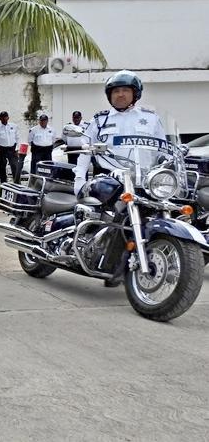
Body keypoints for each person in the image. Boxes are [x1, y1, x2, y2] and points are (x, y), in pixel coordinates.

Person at [73, 70, 167, 287]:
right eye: (116, 91)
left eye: (125, 90)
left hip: (143, 180)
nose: (120, 95)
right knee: (117, 218)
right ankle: (108, 262)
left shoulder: (150, 118)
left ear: (135, 94)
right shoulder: (100, 120)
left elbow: (164, 151)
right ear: (109, 95)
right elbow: (85, 152)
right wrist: (79, 180)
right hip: (111, 178)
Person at [0, 111, 21, 184]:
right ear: (0, 118)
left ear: (8, 118)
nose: (4, 118)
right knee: (2, 168)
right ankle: (3, 184)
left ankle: (17, 184)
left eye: (5, 117)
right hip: (2, 150)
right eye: (2, 117)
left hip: (12, 149)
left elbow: (18, 138)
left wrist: (17, 149)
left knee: (15, 167)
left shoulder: (14, 126)